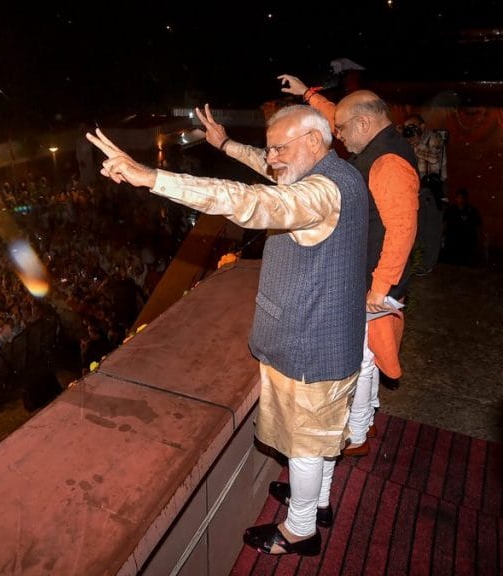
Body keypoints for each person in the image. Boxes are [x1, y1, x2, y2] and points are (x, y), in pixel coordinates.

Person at [87, 103, 368, 556]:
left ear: (314, 141)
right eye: (270, 148)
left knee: (305, 443)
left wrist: (151, 178)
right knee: (320, 435)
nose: (272, 158)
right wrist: (225, 145)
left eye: (279, 148)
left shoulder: (320, 193)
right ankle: (316, 503)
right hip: (331, 337)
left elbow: (247, 201)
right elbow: (268, 168)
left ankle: (300, 531)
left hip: (309, 345)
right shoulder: (341, 172)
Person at [280, 75, 420, 455]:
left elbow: (402, 230)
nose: (338, 136)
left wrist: (379, 288)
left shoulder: (387, 162)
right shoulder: (379, 140)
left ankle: (355, 435)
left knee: (360, 358)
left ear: (363, 123)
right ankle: (365, 421)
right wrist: (308, 94)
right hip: (374, 278)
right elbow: (341, 114)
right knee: (369, 353)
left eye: (341, 130)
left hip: (376, 281)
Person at [402, 114, 447, 272]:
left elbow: (434, 158)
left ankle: (428, 265)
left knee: (431, 229)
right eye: (407, 127)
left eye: (412, 126)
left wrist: (416, 143)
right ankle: (417, 264)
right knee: (417, 228)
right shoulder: (408, 141)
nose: (409, 130)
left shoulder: (434, 138)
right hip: (416, 189)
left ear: (422, 126)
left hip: (432, 189)